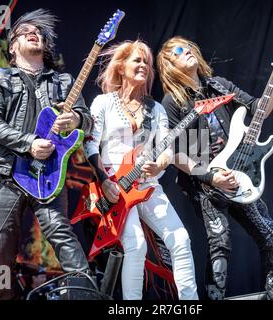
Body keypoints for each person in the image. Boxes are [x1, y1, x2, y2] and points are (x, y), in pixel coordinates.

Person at [157, 36, 273, 300]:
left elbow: (258, 109)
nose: (188, 52)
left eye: (189, 47)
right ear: (169, 65)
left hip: (239, 175)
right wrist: (212, 177)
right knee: (220, 246)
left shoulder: (219, 85)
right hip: (206, 183)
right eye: (179, 51)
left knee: (272, 238)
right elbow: (174, 153)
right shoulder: (173, 103)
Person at [0, 9, 93, 299]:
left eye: (38, 31)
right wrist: (29, 143)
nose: (33, 32)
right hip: (5, 174)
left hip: (48, 176)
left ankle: (87, 295)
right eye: (26, 30)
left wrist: (75, 119)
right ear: (13, 46)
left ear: (45, 45)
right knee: (0, 255)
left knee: (64, 238)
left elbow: (87, 122)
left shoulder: (63, 81)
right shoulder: (0, 76)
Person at [84, 40, 198, 300]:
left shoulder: (155, 108)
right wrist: (104, 180)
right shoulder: (103, 103)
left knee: (180, 239)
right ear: (121, 67)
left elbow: (167, 146)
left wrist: (160, 164)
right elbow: (89, 144)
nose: (144, 65)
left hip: (147, 184)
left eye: (147, 62)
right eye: (137, 60)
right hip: (114, 185)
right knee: (135, 245)